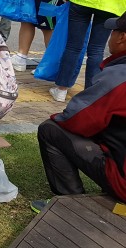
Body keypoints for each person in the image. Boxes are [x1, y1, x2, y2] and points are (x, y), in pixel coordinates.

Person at [36, 11, 126, 206]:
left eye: (113, 32)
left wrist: (61, 118)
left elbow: (76, 119)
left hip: (123, 182)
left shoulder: (119, 77)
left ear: (122, 37)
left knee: (50, 129)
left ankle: (69, 202)